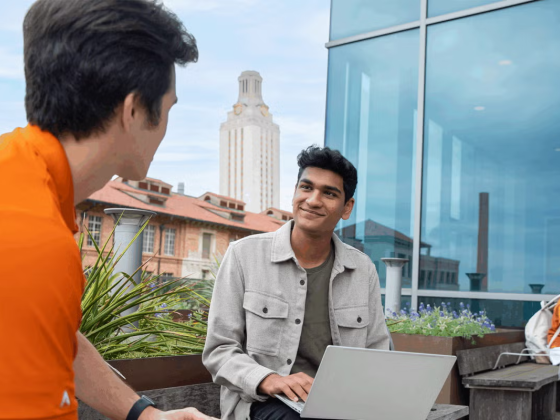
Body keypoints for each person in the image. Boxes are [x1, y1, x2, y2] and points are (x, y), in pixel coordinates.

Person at [0, 1, 216, 419]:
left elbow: (54, 336)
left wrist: (146, 415)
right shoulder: (33, 241)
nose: (167, 127)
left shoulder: (19, 172)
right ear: (134, 111)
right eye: (169, 109)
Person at [203, 146, 390, 420]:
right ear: (295, 193)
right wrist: (268, 379)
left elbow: (378, 351)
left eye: (329, 193)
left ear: (346, 207)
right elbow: (219, 350)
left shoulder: (361, 270)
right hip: (264, 402)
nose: (313, 200)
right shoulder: (244, 255)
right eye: (306, 187)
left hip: (340, 404)